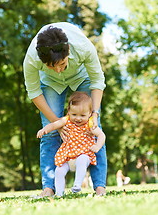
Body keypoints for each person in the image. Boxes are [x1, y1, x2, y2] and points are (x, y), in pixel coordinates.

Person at [23, 22, 107, 197]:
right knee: (50, 133)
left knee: (92, 129)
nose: (58, 70)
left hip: (81, 77)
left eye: (61, 63)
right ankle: (49, 188)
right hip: (50, 83)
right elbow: (34, 92)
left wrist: (95, 114)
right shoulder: (32, 58)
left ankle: (100, 187)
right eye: (52, 66)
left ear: (68, 51)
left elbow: (98, 81)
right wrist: (56, 123)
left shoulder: (83, 47)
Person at [37, 92, 106, 196]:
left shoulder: (90, 124)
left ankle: (77, 185)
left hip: (84, 155)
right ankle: (59, 193)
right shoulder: (66, 120)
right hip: (67, 157)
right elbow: (54, 124)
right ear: (68, 111)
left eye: (82, 115)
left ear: (90, 114)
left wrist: (97, 146)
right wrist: (45, 130)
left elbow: (101, 135)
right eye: (74, 114)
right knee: (59, 171)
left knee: (82, 159)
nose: (78, 118)